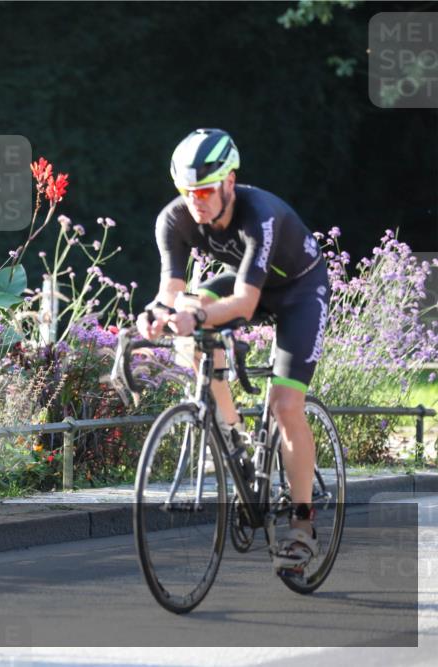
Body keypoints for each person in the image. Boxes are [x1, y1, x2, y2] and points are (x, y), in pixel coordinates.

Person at [137, 128, 330, 575]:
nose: (195, 201)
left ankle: (302, 528)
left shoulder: (258, 213)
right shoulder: (174, 218)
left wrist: (198, 317)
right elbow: (171, 289)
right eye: (187, 192)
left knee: (285, 406)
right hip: (250, 287)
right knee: (187, 311)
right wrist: (156, 313)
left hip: (299, 292)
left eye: (204, 191)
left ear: (229, 181)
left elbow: (243, 303)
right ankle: (232, 434)